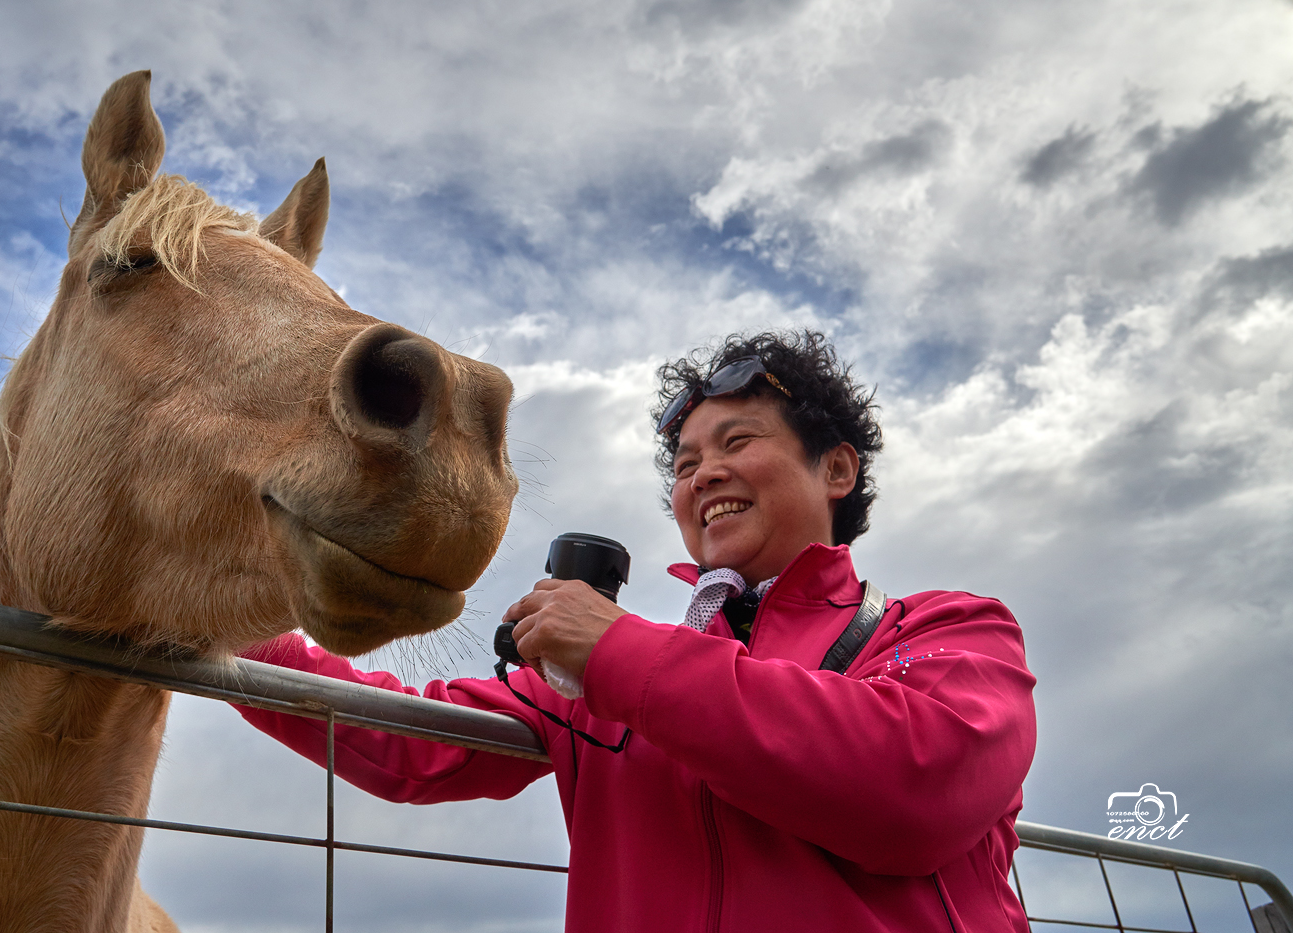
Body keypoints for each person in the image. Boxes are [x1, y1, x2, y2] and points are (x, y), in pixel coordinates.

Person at [235, 330, 1037, 931]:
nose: (703, 473)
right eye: (684, 465)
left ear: (837, 469)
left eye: (737, 441)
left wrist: (615, 648)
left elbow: (916, 785)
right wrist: (229, 635)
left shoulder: (948, 628)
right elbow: (408, 741)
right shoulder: (591, 678)